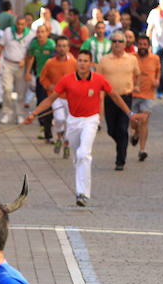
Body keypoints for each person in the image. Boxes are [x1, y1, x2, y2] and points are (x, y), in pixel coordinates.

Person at [25, 50, 134, 206]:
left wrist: (130, 114)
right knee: (77, 158)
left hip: (91, 119)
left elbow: (115, 96)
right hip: (74, 121)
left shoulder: (99, 79)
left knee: (84, 154)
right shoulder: (67, 80)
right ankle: (81, 185)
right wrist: (33, 114)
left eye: (85, 61)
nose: (82, 64)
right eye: (80, 60)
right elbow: (50, 99)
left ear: (91, 63)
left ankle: (82, 194)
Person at [97, 32, 140, 170]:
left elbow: (138, 74)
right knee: (111, 130)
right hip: (110, 99)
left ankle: (120, 160)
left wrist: (136, 85)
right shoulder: (104, 60)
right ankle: (123, 142)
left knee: (122, 128)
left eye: (120, 41)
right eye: (114, 41)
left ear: (125, 44)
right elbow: (98, 81)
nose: (117, 44)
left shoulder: (132, 59)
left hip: (125, 97)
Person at [39, 36, 78, 159]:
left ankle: (66, 144)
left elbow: (80, 78)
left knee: (69, 122)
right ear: (56, 48)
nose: (62, 48)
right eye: (60, 46)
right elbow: (42, 78)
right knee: (60, 119)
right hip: (55, 96)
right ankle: (60, 137)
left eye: (64, 46)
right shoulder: (50, 63)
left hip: (70, 98)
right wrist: (49, 86)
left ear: (68, 47)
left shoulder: (74, 62)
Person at [0, 16, 35, 124]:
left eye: (22, 24)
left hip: (22, 66)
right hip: (8, 63)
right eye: (18, 24)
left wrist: (25, 61)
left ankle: (20, 114)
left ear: (25, 24)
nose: (20, 26)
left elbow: (31, 51)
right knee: (7, 89)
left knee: (21, 91)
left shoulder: (31, 34)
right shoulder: (8, 32)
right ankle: (7, 112)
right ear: (15, 23)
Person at [130, 33, 161, 162]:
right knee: (133, 121)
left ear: (149, 46)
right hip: (132, 94)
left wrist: (157, 80)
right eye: (140, 44)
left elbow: (158, 71)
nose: (142, 47)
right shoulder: (131, 58)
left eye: (145, 44)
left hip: (148, 94)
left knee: (144, 121)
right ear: (137, 46)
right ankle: (135, 133)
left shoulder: (155, 58)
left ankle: (142, 150)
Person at [26, 25, 57, 143]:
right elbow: (31, 58)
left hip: (52, 79)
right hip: (40, 77)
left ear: (47, 33)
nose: (40, 34)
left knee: (50, 103)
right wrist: (28, 72)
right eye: (38, 32)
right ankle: (43, 125)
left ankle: (49, 126)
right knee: (40, 101)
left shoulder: (51, 45)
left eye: (42, 32)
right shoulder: (34, 44)